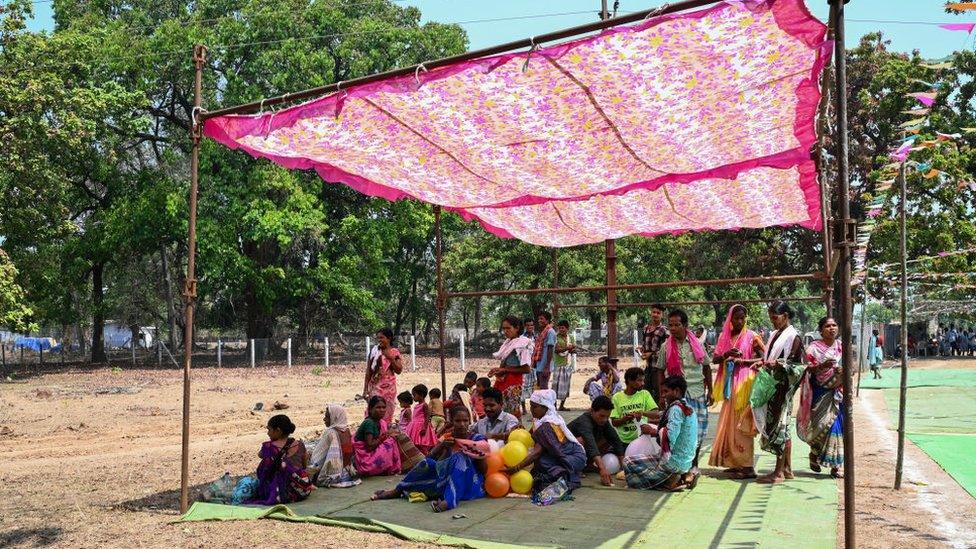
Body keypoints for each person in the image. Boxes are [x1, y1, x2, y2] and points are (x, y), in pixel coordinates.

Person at [372, 407, 488, 513]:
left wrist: (476, 453)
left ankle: (449, 501)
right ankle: (398, 489)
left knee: (459, 458)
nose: (462, 424)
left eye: (465, 421)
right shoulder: (448, 438)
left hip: (469, 484)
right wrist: (442, 447)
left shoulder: (477, 439)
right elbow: (435, 463)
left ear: (469, 421)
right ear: (451, 421)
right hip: (446, 480)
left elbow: (483, 470)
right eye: (458, 421)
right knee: (426, 463)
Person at [708, 305, 765, 479]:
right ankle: (733, 462)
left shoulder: (752, 336)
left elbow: (765, 357)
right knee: (729, 423)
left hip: (745, 384)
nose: (739, 321)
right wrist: (727, 355)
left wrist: (743, 360)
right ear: (730, 319)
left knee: (743, 423)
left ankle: (747, 466)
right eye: (736, 318)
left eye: (742, 318)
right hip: (728, 385)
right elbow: (715, 359)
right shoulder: (724, 337)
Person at [753, 300, 806, 484]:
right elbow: (771, 357)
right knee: (782, 428)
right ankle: (788, 469)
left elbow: (799, 365)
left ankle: (778, 472)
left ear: (785, 316)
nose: (773, 321)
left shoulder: (794, 337)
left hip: (783, 388)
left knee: (780, 428)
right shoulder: (776, 334)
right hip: (772, 385)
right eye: (771, 318)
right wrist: (764, 362)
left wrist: (779, 364)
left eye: (775, 317)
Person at [657, 309, 711, 484]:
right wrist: (661, 394)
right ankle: (683, 469)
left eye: (676, 325)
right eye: (670, 325)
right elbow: (660, 370)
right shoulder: (666, 346)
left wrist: (710, 389)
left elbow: (706, 366)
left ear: (685, 325)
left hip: (696, 393)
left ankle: (692, 466)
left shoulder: (697, 343)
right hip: (677, 396)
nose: (672, 328)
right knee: (678, 433)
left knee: (698, 432)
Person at [623, 376, 699, 491]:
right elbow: (660, 414)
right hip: (686, 462)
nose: (663, 395)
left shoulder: (676, 409)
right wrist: (642, 413)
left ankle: (669, 481)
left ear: (677, 391)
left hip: (673, 462)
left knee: (628, 462)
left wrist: (652, 431)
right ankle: (685, 475)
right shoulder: (686, 406)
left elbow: (670, 436)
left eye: (665, 391)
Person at [505, 389, 587, 493]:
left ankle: (569, 479)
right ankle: (569, 474)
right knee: (540, 463)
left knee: (541, 461)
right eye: (531, 406)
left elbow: (536, 453)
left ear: (546, 407)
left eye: (535, 407)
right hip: (562, 456)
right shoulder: (539, 420)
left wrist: (517, 468)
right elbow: (530, 436)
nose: (532, 410)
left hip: (573, 457)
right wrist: (520, 430)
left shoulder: (547, 425)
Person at [798, 317, 844, 478]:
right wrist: (821, 367)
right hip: (820, 391)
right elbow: (806, 369)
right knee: (821, 425)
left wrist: (842, 372)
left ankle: (835, 465)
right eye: (827, 326)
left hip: (838, 392)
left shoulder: (841, 347)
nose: (831, 328)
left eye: (834, 325)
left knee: (836, 425)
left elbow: (849, 369)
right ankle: (814, 453)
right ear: (821, 330)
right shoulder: (813, 348)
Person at [248, 414, 314, 504]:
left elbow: (260, 455)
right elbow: (304, 465)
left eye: (269, 429)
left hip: (282, 493)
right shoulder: (299, 444)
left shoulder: (269, 446)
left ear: (278, 430)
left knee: (267, 462)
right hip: (302, 489)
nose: (268, 433)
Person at [568, 395, 627, 487]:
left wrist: (624, 467)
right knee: (581, 441)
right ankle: (575, 468)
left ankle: (587, 465)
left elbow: (615, 440)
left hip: (586, 450)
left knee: (608, 439)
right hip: (567, 454)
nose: (604, 420)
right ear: (592, 411)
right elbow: (590, 444)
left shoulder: (604, 421)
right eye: (602, 416)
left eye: (607, 417)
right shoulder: (584, 421)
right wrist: (602, 468)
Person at [490, 316, 533, 418]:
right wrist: (498, 370)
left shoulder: (523, 343)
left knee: (511, 413)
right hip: (504, 380)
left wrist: (504, 369)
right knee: (500, 410)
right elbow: (505, 363)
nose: (505, 331)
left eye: (508, 328)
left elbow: (526, 369)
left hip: (513, 382)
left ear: (517, 328)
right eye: (504, 328)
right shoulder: (508, 343)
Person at [309, 404, 361, 488]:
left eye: (327, 417)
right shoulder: (347, 430)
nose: (324, 419)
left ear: (335, 417)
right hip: (347, 473)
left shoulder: (331, 432)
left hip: (334, 475)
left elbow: (318, 458)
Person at [362, 328, 404, 423]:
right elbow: (369, 371)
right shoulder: (374, 352)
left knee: (386, 411)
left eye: (382, 337)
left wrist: (390, 358)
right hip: (375, 387)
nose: (379, 340)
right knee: (373, 410)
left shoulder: (394, 352)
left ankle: (384, 432)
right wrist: (365, 390)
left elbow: (399, 370)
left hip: (389, 389)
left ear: (389, 338)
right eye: (378, 338)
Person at [610, 366, 660, 445]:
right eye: (639, 380)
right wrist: (625, 418)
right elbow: (614, 423)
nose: (643, 383)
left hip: (642, 439)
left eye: (643, 380)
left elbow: (656, 414)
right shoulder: (616, 397)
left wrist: (642, 413)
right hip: (623, 441)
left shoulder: (645, 394)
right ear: (630, 380)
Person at [354, 396, 402, 476]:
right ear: (370, 409)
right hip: (365, 459)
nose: (382, 410)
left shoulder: (380, 422)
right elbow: (369, 447)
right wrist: (385, 436)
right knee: (390, 441)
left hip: (372, 452)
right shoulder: (369, 423)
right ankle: (388, 467)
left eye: (383, 407)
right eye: (378, 407)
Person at [640, 304, 669, 403]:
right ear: (650, 313)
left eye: (658, 313)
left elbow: (666, 349)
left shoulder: (664, 330)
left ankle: (660, 415)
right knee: (646, 391)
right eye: (654, 312)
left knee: (659, 392)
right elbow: (645, 345)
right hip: (648, 367)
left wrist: (651, 354)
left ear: (662, 315)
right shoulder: (646, 328)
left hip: (659, 368)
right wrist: (642, 350)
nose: (655, 314)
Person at [405, 384, 439, 454]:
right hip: (414, 427)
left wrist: (424, 427)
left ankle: (425, 457)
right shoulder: (417, 405)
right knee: (415, 444)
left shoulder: (424, 405)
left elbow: (427, 416)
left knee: (422, 444)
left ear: (421, 395)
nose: (413, 397)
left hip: (421, 426)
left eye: (414, 395)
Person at [552, 320, 576, 411]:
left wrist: (572, 350)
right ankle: (554, 406)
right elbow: (557, 350)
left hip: (568, 364)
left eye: (563, 328)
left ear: (567, 328)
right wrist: (568, 348)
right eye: (560, 328)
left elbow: (573, 349)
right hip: (558, 364)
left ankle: (562, 405)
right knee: (555, 386)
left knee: (566, 385)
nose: (561, 329)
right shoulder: (556, 337)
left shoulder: (571, 337)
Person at [532, 311, 557, 390]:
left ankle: (549, 402)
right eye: (539, 319)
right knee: (539, 387)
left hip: (545, 365)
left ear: (547, 320)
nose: (539, 320)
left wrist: (547, 366)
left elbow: (550, 349)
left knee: (544, 388)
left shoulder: (550, 332)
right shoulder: (542, 332)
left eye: (542, 319)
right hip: (539, 365)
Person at [521, 318, 537, 413]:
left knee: (533, 388)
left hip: (534, 365)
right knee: (523, 387)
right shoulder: (522, 338)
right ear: (525, 326)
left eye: (531, 325)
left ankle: (532, 409)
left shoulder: (536, 337)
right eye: (528, 325)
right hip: (525, 366)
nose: (530, 327)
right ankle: (523, 409)